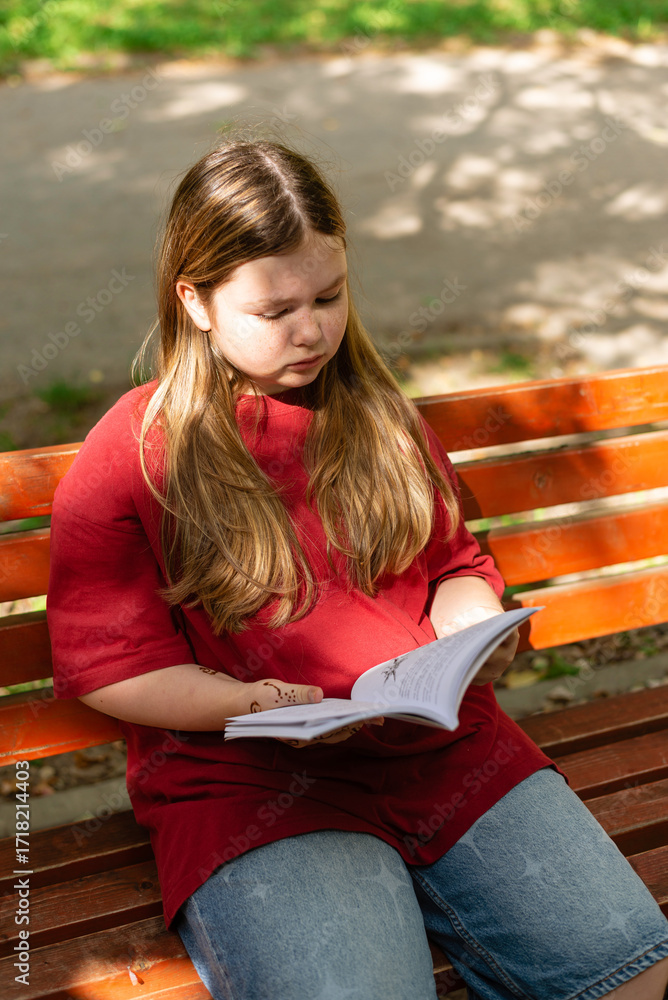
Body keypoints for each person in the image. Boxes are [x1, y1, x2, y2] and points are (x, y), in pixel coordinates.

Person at [47, 137, 668, 1000]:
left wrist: (467, 622)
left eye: (329, 297)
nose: (311, 330)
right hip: (254, 784)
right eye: (275, 311)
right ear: (195, 301)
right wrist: (258, 704)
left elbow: (458, 561)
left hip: (443, 750)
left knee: (631, 972)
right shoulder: (139, 449)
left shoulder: (375, 413)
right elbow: (114, 670)